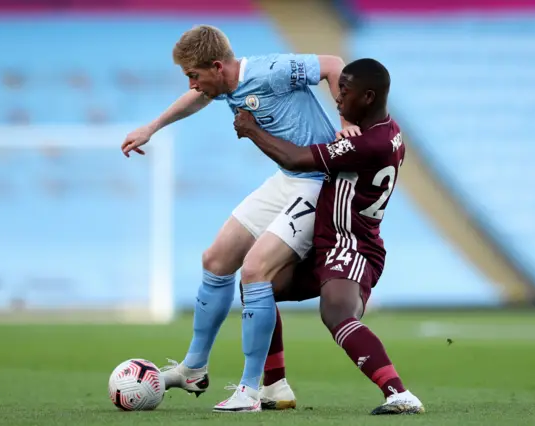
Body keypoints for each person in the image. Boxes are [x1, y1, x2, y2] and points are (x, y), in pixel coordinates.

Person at [121, 25, 360, 412]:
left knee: (254, 272)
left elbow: (334, 65)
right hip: (287, 179)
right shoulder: (223, 85)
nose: (193, 85)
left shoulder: (271, 71)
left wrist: (346, 121)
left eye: (194, 76)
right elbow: (196, 100)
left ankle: (251, 391)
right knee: (215, 260)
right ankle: (194, 368)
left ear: (217, 66)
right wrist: (152, 127)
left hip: (318, 183)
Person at [233, 58, 425, 415]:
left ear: (368, 97)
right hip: (327, 242)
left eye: (345, 92)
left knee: (337, 313)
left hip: (351, 244)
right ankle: (275, 387)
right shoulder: (388, 130)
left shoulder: (369, 144)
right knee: (257, 287)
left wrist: (252, 128)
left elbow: (295, 158)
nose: (336, 98)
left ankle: (399, 394)